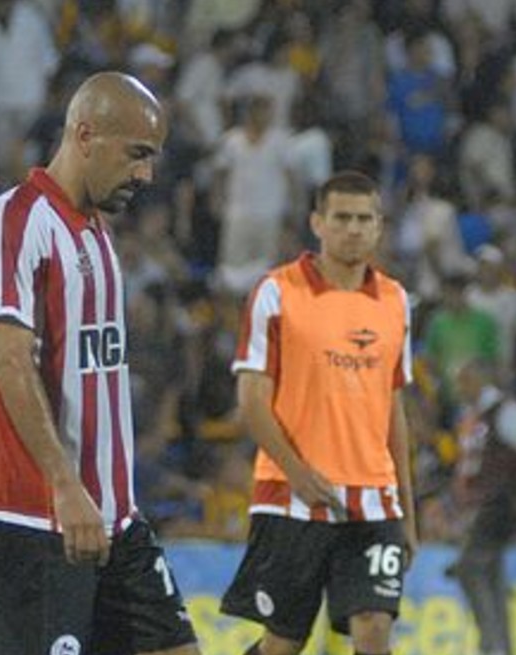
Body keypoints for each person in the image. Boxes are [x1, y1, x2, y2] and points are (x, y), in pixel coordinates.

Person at [0, 71, 199, 655]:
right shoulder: (16, 220)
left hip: (115, 518)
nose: (146, 175)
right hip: (33, 518)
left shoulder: (94, 232)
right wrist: (66, 486)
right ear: (86, 134)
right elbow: (11, 366)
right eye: (137, 155)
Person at [221, 171, 418, 655]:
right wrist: (299, 473)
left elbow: (393, 408)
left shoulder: (395, 301)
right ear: (317, 223)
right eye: (342, 217)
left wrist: (407, 515)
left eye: (365, 218)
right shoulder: (277, 292)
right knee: (284, 643)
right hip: (291, 497)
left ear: (379, 227)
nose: (354, 228)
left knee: (374, 629)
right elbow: (250, 399)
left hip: (374, 500)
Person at [449, 359, 516, 655]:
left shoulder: (505, 412)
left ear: (479, 380)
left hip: (501, 504)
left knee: (471, 567)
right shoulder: (476, 416)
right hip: (485, 506)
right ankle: (499, 645)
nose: (459, 388)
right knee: (488, 570)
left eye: (464, 381)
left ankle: (493, 645)